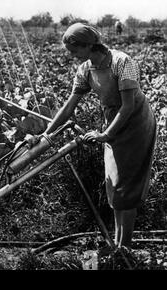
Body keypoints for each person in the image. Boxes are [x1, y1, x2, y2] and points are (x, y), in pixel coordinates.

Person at [29, 23, 157, 250]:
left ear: (89, 45)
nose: (72, 56)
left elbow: (128, 107)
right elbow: (69, 107)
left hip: (136, 123)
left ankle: (124, 248)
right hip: (112, 124)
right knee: (115, 185)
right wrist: (45, 134)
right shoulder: (86, 69)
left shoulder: (122, 62)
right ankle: (119, 245)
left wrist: (106, 134)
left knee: (127, 187)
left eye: (74, 50)